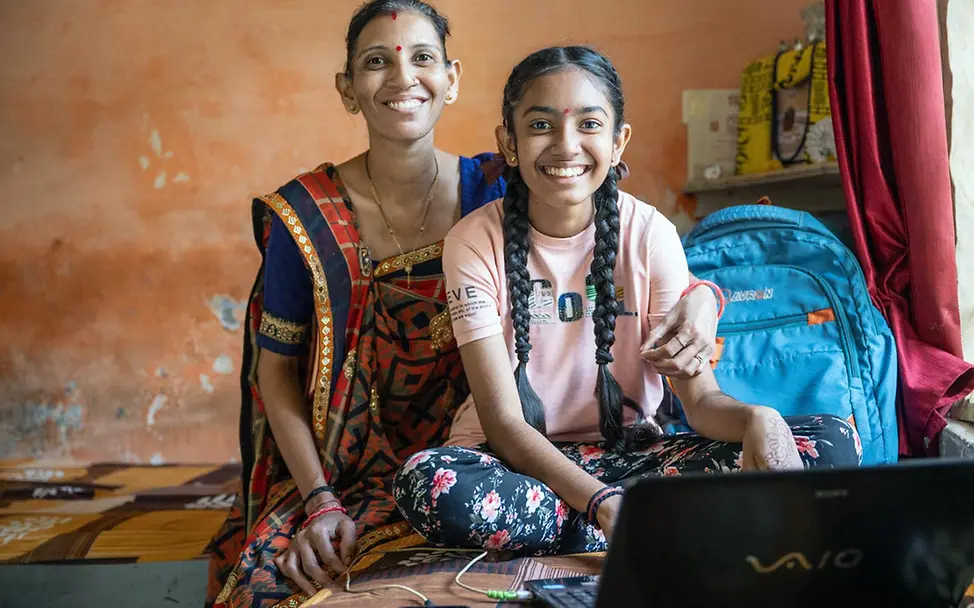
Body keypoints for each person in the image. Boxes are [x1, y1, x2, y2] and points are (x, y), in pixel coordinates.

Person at [205, 3, 720, 606]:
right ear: (347, 89)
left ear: (452, 79)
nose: (403, 77)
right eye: (377, 62)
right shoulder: (306, 218)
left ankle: (597, 510)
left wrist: (707, 298)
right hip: (358, 469)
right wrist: (319, 499)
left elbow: (619, 249)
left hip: (515, 451)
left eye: (423, 58)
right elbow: (275, 372)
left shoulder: (499, 187)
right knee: (274, 585)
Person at [392, 46, 863, 556]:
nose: (566, 145)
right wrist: (600, 502)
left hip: (630, 455)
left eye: (589, 125)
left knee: (831, 440)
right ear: (509, 142)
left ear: (618, 143)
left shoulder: (650, 233)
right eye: (541, 125)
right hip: (515, 466)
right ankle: (651, 520)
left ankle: (600, 527)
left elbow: (700, 401)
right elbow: (504, 425)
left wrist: (757, 417)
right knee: (430, 484)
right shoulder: (472, 242)